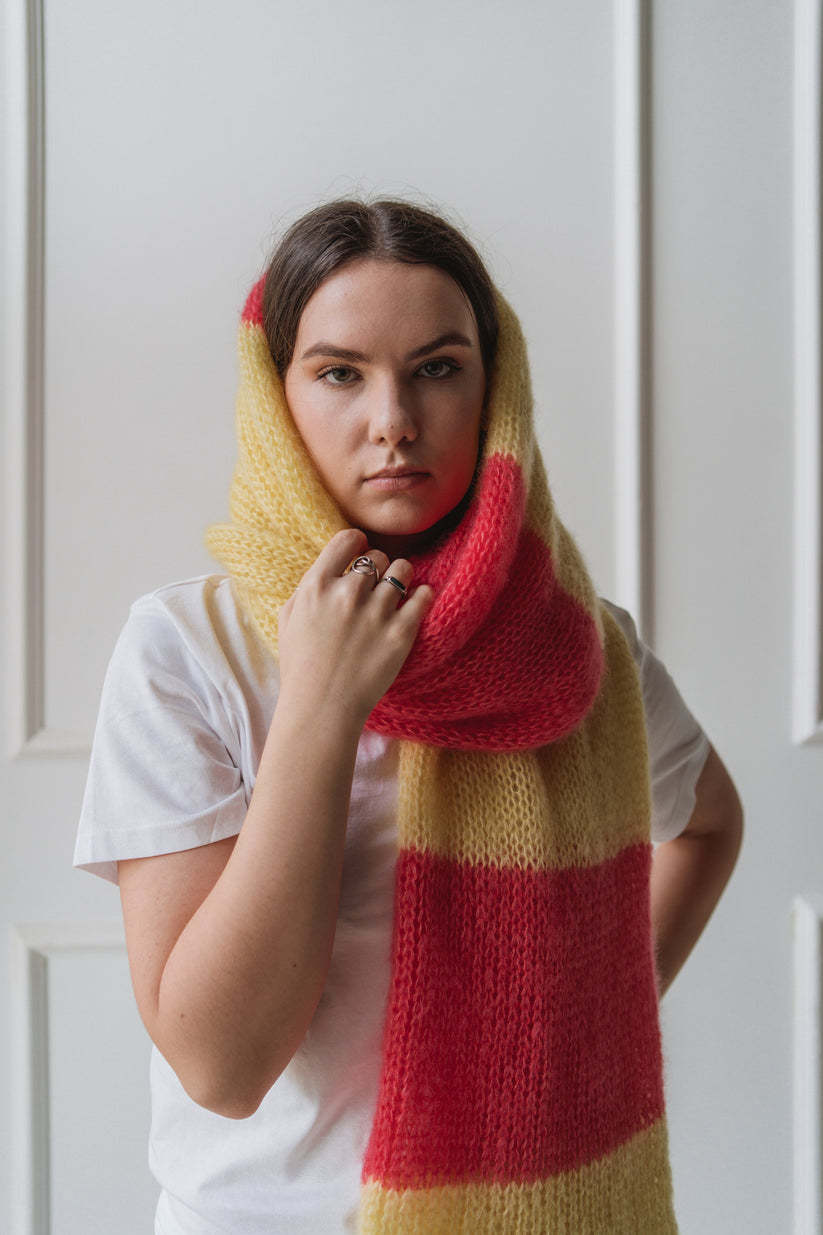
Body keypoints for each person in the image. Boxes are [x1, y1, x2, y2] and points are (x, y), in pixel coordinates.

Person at [73, 197, 734, 1235]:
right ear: (276, 397)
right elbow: (222, 1065)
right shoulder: (187, 650)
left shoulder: (578, 649)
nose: (393, 419)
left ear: (495, 388)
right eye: (339, 372)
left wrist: (582, 1030)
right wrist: (322, 702)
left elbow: (706, 824)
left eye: (436, 367)